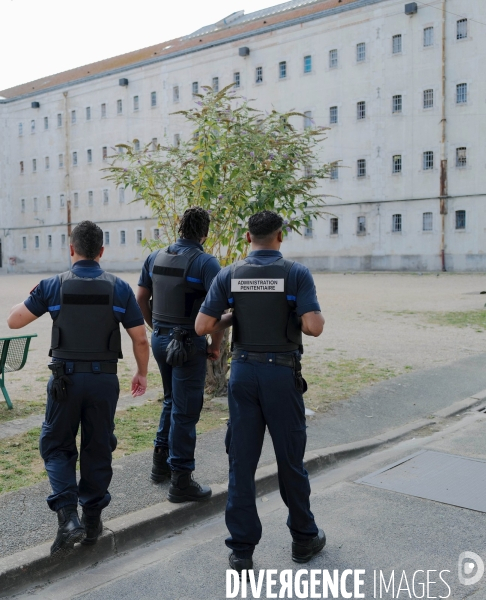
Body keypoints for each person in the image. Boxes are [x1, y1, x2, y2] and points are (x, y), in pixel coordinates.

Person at [7, 221, 149, 556]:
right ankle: (93, 521)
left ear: (71, 249)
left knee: (57, 447)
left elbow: (14, 320)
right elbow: (140, 338)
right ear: (101, 251)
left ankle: (68, 517)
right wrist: (142, 373)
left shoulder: (53, 286)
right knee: (98, 448)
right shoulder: (119, 288)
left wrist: (33, 294)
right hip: (104, 380)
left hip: (65, 382)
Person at [195, 210, 326, 575]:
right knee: (290, 461)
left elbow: (202, 324)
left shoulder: (230, 274)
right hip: (280, 376)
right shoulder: (295, 273)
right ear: (280, 237)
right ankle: (303, 539)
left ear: (248, 238)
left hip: (244, 376)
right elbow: (313, 327)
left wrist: (233, 316)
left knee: (242, 463)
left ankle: (241, 552)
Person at [136, 207, 223, 502]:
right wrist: (215, 344)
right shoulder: (206, 263)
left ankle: (159, 466)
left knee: (172, 400)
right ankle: (181, 481)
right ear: (205, 233)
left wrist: (156, 327)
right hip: (188, 343)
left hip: (161, 340)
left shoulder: (154, 257)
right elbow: (219, 312)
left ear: (179, 228)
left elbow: (140, 299)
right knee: (185, 412)